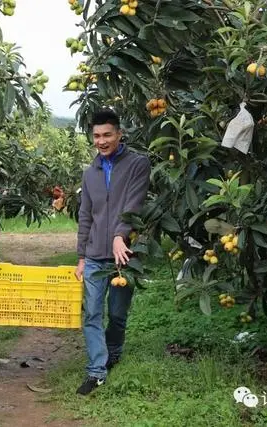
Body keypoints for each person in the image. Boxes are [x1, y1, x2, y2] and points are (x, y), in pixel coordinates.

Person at [74, 109, 152, 395]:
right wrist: (81, 256)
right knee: (92, 313)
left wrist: (121, 235)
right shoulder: (89, 173)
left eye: (107, 135)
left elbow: (134, 203)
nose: (102, 141)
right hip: (95, 255)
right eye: (96, 136)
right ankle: (96, 370)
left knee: (117, 314)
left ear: (119, 134)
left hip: (125, 255)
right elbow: (85, 216)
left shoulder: (138, 164)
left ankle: (113, 353)